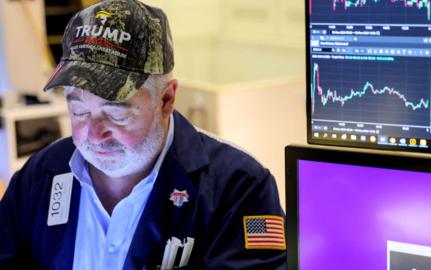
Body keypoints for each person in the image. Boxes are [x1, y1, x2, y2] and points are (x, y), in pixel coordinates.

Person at [0, 0, 286, 269]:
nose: (95, 135)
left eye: (116, 114)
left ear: (166, 100)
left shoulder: (238, 187)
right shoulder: (40, 175)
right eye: (79, 112)